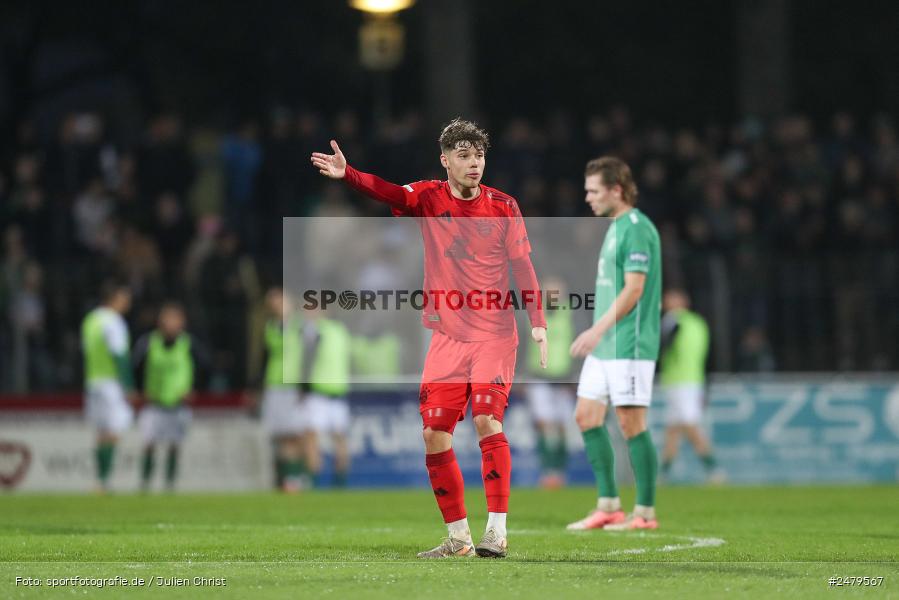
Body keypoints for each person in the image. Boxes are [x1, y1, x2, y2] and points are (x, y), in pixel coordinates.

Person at [311, 118, 548, 558]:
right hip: (447, 336)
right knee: (434, 433)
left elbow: (523, 267)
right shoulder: (428, 196)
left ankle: (496, 531)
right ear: (445, 161)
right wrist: (350, 175)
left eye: (479, 155)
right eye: (464, 155)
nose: (474, 163)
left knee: (485, 420)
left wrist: (538, 320)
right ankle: (458, 537)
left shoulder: (504, 206)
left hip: (494, 332)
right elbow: (391, 193)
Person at [567, 156, 662, 531]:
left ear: (616, 190)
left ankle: (645, 513)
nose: (588, 198)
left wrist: (597, 329)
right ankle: (608, 505)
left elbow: (635, 289)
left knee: (631, 423)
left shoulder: (636, 228)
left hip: (629, 344)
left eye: (594, 191)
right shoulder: (614, 227)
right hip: (607, 346)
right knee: (586, 416)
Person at [132, 302, 211, 492]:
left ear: (182, 322)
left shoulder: (189, 343)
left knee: (174, 445)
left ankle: (169, 485)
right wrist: (138, 389)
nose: (170, 323)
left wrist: (195, 389)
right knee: (149, 443)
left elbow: (206, 366)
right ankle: (145, 484)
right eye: (167, 319)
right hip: (154, 402)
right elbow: (135, 366)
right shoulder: (148, 342)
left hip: (178, 403)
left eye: (174, 319)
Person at [658, 289, 722, 483]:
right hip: (694, 379)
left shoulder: (672, 321)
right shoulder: (698, 323)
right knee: (673, 428)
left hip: (678, 381)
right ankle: (664, 474)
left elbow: (662, 346)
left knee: (690, 425)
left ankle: (714, 470)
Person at [252, 287, 309, 492]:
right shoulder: (270, 327)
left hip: (293, 385)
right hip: (274, 384)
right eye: (274, 302)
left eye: (281, 301)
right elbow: (265, 358)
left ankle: (299, 476)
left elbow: (309, 355)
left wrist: (306, 384)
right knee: (279, 434)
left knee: (295, 433)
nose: (278, 305)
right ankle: (285, 479)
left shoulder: (300, 326)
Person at [81, 280, 136, 493]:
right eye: (125, 298)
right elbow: (119, 355)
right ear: (115, 299)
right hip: (111, 382)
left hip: (93, 381)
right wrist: (129, 385)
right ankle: (103, 480)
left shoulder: (90, 320)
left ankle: (100, 481)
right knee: (114, 429)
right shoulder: (114, 321)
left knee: (102, 431)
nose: (127, 303)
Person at [524, 276, 576, 489]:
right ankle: (547, 472)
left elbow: (578, 341)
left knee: (563, 425)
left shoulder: (571, 313)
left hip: (563, 378)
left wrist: (575, 375)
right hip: (539, 376)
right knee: (544, 423)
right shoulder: (532, 312)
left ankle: (560, 471)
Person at [303, 311, 353, 487]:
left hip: (319, 391)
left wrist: (302, 386)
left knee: (311, 436)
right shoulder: (341, 331)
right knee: (340, 438)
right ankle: (340, 483)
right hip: (339, 391)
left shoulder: (315, 329)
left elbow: (307, 359)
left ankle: (315, 482)